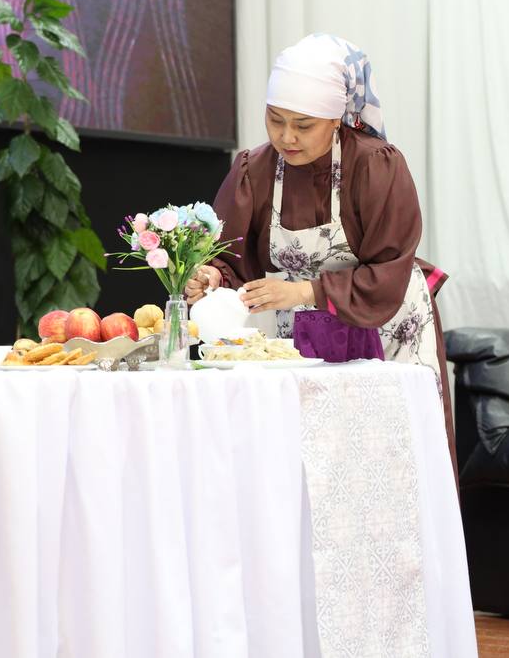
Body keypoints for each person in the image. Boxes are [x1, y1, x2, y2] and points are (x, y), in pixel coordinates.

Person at [184, 33, 454, 446]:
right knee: (312, 453)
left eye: (303, 125)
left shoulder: (375, 165)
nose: (286, 137)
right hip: (301, 339)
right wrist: (212, 276)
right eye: (275, 119)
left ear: (335, 119)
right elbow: (233, 259)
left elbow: (389, 268)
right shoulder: (255, 169)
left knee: (389, 449)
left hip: (383, 324)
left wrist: (303, 291)